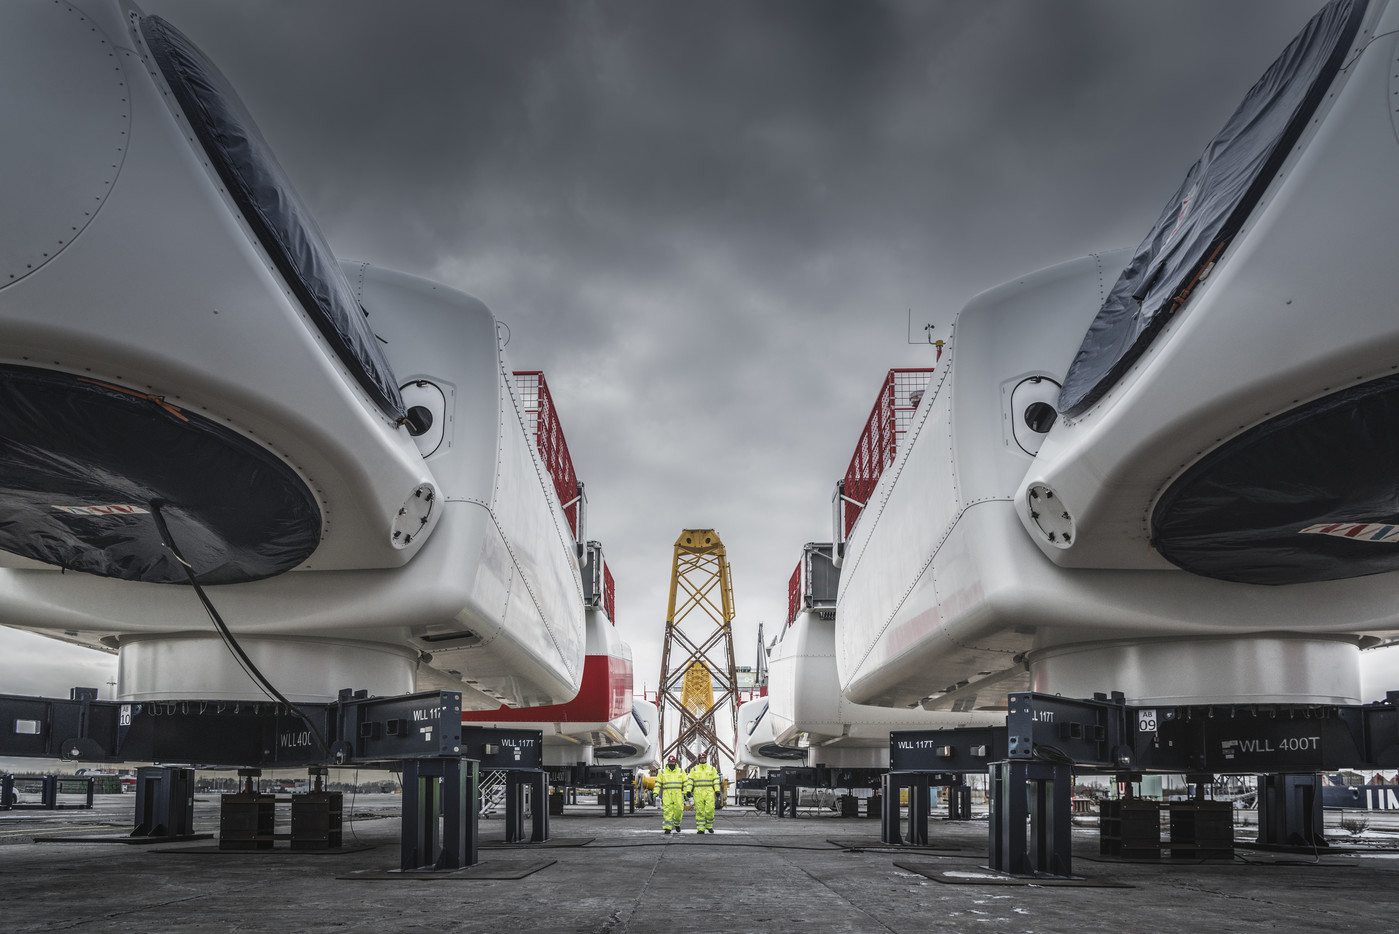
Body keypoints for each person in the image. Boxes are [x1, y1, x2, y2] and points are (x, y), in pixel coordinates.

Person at [687, 751, 722, 834]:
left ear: (706, 759)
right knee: (700, 811)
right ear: (699, 760)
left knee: (710, 809)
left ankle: (709, 826)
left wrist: (717, 790)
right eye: (701, 759)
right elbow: (690, 781)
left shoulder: (712, 769)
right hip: (698, 792)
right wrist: (688, 790)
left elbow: (716, 780)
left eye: (704, 758)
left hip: (709, 791)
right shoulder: (694, 769)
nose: (703, 760)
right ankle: (700, 828)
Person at [657, 754, 691, 834]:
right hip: (667, 794)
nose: (671, 763)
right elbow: (658, 783)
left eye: (672, 762)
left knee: (679, 811)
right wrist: (655, 792)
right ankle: (667, 828)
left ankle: (677, 824)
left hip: (677, 794)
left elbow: (685, 783)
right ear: (668, 762)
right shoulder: (662, 772)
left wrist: (687, 792)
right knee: (667, 811)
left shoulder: (681, 771)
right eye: (670, 762)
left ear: (675, 762)